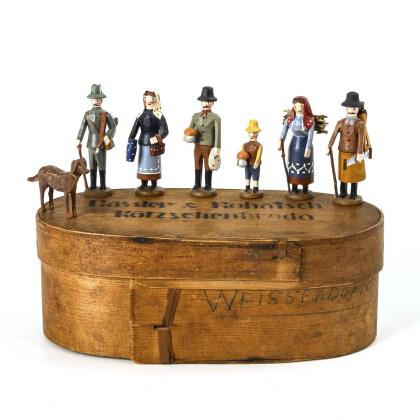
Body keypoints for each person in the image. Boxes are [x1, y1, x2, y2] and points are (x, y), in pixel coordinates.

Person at [76, 84, 117, 195]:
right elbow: (82, 127)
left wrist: (107, 137)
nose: (96, 101)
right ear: (91, 100)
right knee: (92, 165)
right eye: (94, 99)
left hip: (101, 143)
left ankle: (103, 185)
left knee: (102, 165)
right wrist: (79, 139)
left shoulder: (105, 114)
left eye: (98, 99)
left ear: (101, 100)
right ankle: (93, 185)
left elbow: (113, 127)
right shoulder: (87, 114)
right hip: (90, 144)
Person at [127, 91, 169, 196]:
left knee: (153, 164)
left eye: (152, 98)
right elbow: (135, 128)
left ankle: (154, 184)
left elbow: (164, 130)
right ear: (144, 99)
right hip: (143, 143)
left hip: (154, 145)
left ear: (156, 100)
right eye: (147, 98)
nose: (149, 100)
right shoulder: (140, 115)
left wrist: (157, 137)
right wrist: (131, 138)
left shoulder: (159, 115)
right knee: (143, 163)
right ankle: (143, 183)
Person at [328, 91, 367, 202]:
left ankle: (353, 193)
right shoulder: (340, 122)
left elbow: (361, 139)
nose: (351, 110)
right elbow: (334, 134)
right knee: (343, 172)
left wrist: (360, 153)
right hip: (343, 152)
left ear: (358, 109)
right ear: (346, 108)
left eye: (354, 108)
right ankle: (343, 192)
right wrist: (329, 145)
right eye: (350, 108)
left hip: (354, 153)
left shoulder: (360, 124)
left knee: (354, 173)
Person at [184, 86, 221, 197]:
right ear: (201, 102)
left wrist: (217, 148)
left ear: (212, 103)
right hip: (197, 145)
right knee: (197, 164)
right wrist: (188, 135)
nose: (206, 104)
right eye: (204, 101)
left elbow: (218, 134)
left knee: (208, 165)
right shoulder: (195, 116)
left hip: (208, 146)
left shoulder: (215, 118)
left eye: (208, 101)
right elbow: (190, 128)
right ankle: (197, 184)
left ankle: (208, 185)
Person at [279, 96, 315, 199]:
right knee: (293, 165)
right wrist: (280, 141)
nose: (298, 107)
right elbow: (284, 131)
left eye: (301, 106)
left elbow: (310, 135)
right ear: (293, 106)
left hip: (304, 145)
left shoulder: (310, 120)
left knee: (305, 166)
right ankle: (294, 187)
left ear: (305, 107)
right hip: (294, 145)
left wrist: (308, 147)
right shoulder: (290, 119)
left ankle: (305, 188)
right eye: (296, 105)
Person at [237, 119, 263, 198]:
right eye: (251, 132)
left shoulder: (259, 145)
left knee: (255, 177)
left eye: (255, 132)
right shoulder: (244, 145)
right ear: (248, 133)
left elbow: (259, 155)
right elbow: (241, 153)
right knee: (247, 176)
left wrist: (257, 162)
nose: (253, 134)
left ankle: (255, 188)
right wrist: (240, 160)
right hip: (247, 164)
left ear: (257, 133)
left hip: (254, 164)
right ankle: (247, 187)